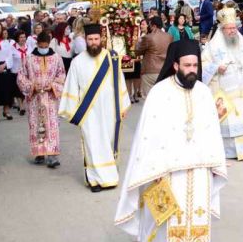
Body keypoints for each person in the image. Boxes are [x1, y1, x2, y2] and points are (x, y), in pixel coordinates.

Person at [114, 38, 227, 242]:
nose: (192, 71)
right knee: (164, 214)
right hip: (168, 165)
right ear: (175, 65)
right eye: (187, 65)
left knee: (196, 213)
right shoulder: (160, 92)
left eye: (195, 65)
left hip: (199, 166)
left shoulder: (204, 92)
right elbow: (149, 133)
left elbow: (209, 129)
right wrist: (155, 165)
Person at [58, 24, 131, 192]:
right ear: (85, 40)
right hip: (89, 113)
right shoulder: (77, 62)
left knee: (108, 141)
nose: (93, 42)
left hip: (110, 109)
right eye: (90, 39)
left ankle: (110, 177)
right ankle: (94, 180)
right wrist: (72, 111)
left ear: (101, 39)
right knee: (92, 144)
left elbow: (119, 81)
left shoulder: (112, 58)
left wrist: (123, 104)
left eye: (96, 39)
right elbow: (71, 86)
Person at [201, 9, 243, 160]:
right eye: (229, 28)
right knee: (230, 120)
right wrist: (216, 67)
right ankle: (231, 151)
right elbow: (203, 65)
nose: (233, 31)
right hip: (227, 92)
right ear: (222, 29)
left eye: (234, 28)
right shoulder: (212, 46)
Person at [16, 31, 66, 169]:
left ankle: (52, 155)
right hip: (35, 99)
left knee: (52, 125)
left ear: (49, 44)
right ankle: (39, 152)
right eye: (41, 45)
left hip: (51, 98)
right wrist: (32, 86)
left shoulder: (57, 58)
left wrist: (53, 85)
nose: (43, 47)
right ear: (37, 43)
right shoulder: (29, 58)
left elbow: (61, 75)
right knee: (36, 124)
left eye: (45, 45)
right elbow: (21, 76)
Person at [136, 16, 173, 93]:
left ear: (154, 26)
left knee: (149, 99)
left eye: (150, 25)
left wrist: (138, 41)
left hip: (150, 71)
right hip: (165, 70)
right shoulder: (169, 37)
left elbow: (138, 51)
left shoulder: (148, 37)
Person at [9, 30, 28, 116]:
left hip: (26, 72)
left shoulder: (28, 47)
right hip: (16, 71)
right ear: (17, 38)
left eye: (24, 37)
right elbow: (9, 59)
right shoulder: (12, 47)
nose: (23, 39)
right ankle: (21, 107)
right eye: (21, 37)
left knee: (25, 89)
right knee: (18, 90)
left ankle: (23, 104)